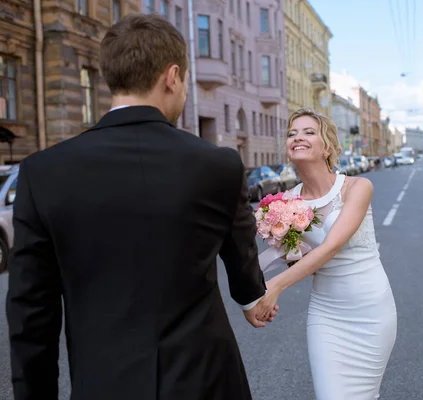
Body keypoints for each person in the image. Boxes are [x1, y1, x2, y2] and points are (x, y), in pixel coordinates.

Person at [6, 14, 276, 400]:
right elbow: (243, 260)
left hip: (105, 383)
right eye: (183, 82)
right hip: (206, 380)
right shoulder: (218, 164)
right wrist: (251, 297)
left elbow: (31, 312)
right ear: (172, 76)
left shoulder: (43, 172)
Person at [256, 108, 397, 399]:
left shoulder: (357, 187)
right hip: (327, 314)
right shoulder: (286, 202)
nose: (298, 137)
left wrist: (275, 286)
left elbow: (332, 246)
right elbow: (295, 256)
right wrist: (274, 265)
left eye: (309, 132)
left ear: (328, 147)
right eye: (292, 133)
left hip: (370, 311)